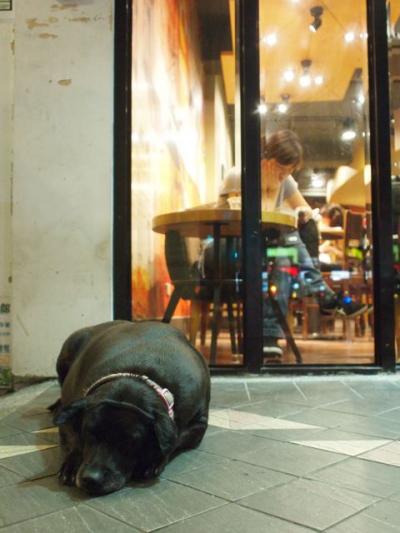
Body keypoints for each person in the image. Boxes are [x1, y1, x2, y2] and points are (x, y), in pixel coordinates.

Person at [261, 130, 368, 359]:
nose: (284, 174)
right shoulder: (242, 175)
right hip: (247, 245)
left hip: (276, 249)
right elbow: (243, 216)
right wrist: (269, 190)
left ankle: (269, 336)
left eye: (289, 170)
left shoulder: (286, 180)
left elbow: (306, 210)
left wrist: (301, 213)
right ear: (267, 158)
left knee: (285, 256)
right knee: (287, 242)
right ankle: (324, 295)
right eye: (280, 168)